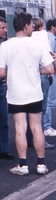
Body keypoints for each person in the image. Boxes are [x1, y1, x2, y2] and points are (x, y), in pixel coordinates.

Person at [0, 12, 55, 175]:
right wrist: (35, 70)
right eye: (31, 25)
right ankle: (41, 165)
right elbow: (50, 69)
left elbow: (1, 73)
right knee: (36, 127)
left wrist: (13, 70)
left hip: (16, 94)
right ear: (25, 26)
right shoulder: (38, 45)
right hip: (34, 93)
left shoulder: (5, 46)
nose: (33, 27)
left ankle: (23, 166)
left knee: (19, 129)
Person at [42, 19, 56, 137]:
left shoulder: (51, 39)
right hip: (52, 74)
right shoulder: (50, 39)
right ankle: (47, 127)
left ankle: (46, 125)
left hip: (53, 73)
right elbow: (49, 56)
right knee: (49, 100)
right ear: (52, 27)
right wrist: (55, 68)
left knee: (49, 100)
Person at [0, 17, 13, 159]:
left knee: (3, 118)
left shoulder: (5, 45)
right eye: (2, 28)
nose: (5, 30)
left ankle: (3, 149)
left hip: (1, 87)